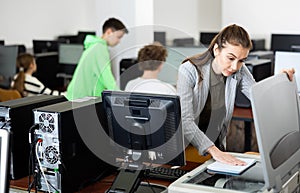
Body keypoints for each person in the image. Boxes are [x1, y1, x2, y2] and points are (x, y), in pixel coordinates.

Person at [176, 24, 295, 166]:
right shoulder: (189, 70)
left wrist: (279, 82)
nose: (235, 67)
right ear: (216, 50)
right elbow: (186, 121)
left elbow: (259, 95)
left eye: (241, 60)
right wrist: (214, 151)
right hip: (189, 148)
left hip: (217, 148)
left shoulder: (239, 70)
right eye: (230, 58)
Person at [66, 17, 128, 100]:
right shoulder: (100, 48)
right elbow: (106, 76)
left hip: (77, 97)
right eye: (118, 37)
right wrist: (121, 97)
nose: (119, 41)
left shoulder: (94, 46)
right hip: (80, 99)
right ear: (109, 32)